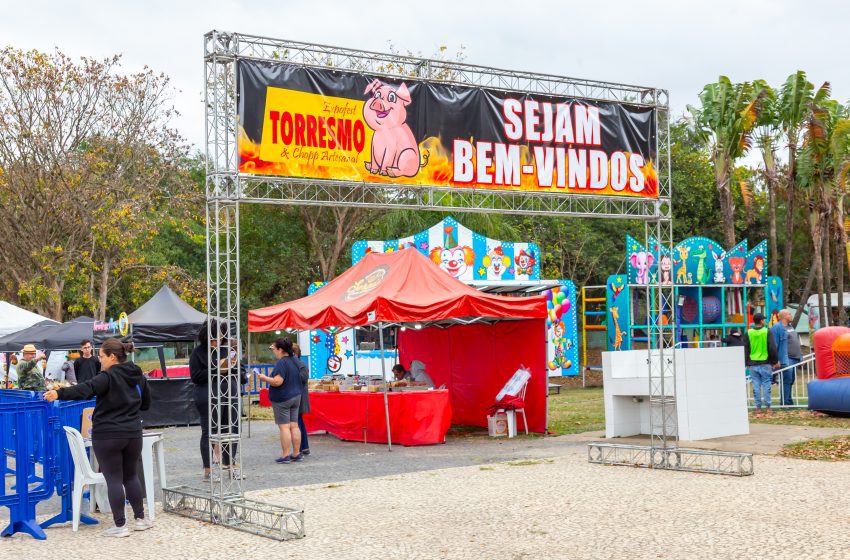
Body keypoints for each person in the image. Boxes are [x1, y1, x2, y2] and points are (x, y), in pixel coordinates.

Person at [44, 338, 152, 537]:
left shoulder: (107, 377)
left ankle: (120, 526)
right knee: (131, 476)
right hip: (133, 433)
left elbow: (84, 389)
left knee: (113, 479)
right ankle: (141, 519)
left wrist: (58, 394)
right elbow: (146, 404)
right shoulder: (139, 376)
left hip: (108, 434)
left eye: (101, 356)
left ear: (112, 357)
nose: (99, 360)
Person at [189, 320, 241, 482]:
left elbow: (240, 370)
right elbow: (196, 376)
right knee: (209, 432)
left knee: (231, 430)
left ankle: (231, 466)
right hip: (207, 395)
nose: (219, 338)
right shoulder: (198, 353)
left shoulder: (227, 350)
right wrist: (216, 369)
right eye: (216, 335)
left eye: (221, 335)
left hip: (229, 394)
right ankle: (208, 470)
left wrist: (232, 366)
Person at [258, 338, 302, 464]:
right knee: (294, 425)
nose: (274, 352)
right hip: (296, 396)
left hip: (283, 398)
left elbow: (277, 381)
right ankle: (296, 453)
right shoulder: (295, 360)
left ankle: (285, 455)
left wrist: (264, 378)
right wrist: (274, 346)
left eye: (275, 349)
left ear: (281, 350)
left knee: (284, 428)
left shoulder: (282, 363)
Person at [744, 313, 779, 416]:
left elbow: (746, 349)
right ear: (761, 321)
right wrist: (775, 361)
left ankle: (758, 408)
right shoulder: (767, 331)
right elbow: (772, 347)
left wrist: (746, 362)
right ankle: (768, 407)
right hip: (765, 362)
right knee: (767, 384)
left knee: (756, 386)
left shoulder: (749, 333)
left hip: (752, 363)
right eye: (764, 319)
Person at [292, 343, 311, 456]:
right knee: (299, 421)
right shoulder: (299, 364)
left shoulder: (301, 364)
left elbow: (303, 379)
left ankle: (299, 448)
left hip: (299, 397)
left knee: (297, 422)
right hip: (298, 396)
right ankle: (304, 447)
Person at [783, 310, 803, 406]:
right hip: (788, 359)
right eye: (789, 314)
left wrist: (800, 356)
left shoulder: (790, 327)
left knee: (791, 381)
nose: (791, 315)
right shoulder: (780, 328)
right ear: (783, 316)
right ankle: (785, 402)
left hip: (795, 358)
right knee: (787, 381)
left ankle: (789, 400)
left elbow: (796, 342)